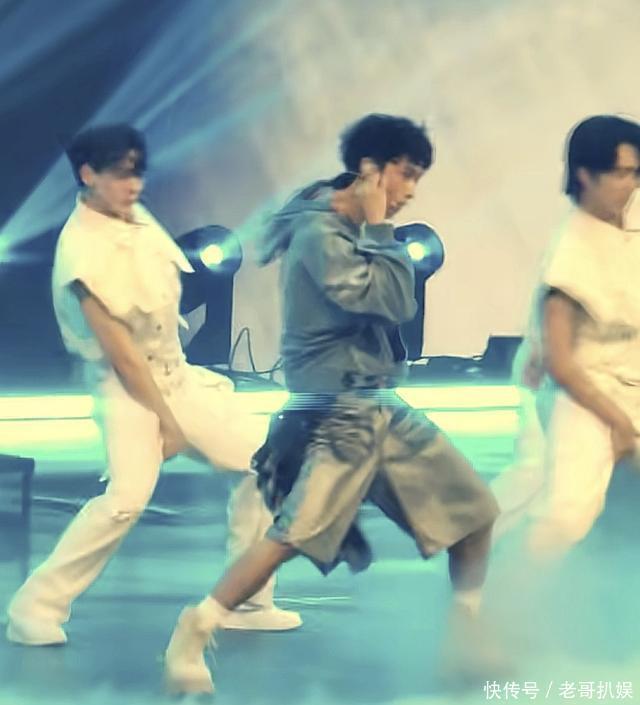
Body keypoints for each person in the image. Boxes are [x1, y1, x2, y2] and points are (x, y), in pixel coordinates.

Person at [162, 113, 500, 694]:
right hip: (336, 412)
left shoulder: (344, 225)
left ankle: (465, 634)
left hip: (378, 405)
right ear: (370, 169)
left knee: (474, 512)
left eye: (418, 177)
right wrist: (379, 229)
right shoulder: (322, 236)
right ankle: (195, 629)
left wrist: (375, 228)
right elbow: (391, 303)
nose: (411, 190)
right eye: (405, 173)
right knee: (293, 535)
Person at [5, 123, 300, 647]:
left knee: (263, 464)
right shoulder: (81, 252)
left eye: (138, 172)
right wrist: (168, 423)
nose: (134, 184)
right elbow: (123, 356)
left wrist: (179, 402)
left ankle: (245, 599)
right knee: (126, 499)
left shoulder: (135, 217)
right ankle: (34, 608)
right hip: (126, 390)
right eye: (122, 174)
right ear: (88, 174)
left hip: (174, 375)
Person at [492, 114, 640, 557]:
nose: (631, 184)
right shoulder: (572, 248)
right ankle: (484, 586)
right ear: (585, 175)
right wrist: (619, 422)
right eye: (621, 173)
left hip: (622, 388)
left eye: (636, 173)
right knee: (562, 514)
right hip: (582, 395)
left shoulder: (622, 238)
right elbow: (561, 362)